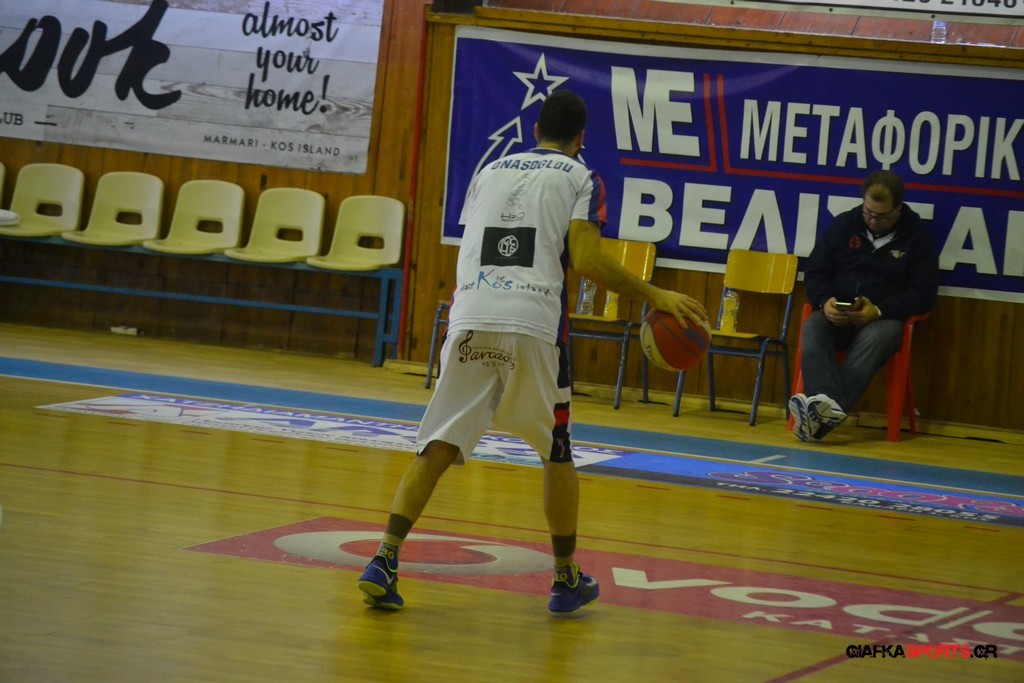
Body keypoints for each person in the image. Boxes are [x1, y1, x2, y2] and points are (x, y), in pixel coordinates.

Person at [357, 90, 707, 613]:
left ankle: (384, 558)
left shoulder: (488, 171)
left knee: (439, 443)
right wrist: (654, 294)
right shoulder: (581, 176)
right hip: (533, 321)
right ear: (580, 139)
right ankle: (565, 578)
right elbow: (586, 259)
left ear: (536, 130)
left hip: (470, 313)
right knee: (556, 450)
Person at [789, 170, 939, 441]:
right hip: (839, 313)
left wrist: (879, 310)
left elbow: (923, 294)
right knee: (813, 325)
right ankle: (824, 406)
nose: (873, 220)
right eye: (868, 212)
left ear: (898, 209)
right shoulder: (844, 224)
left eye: (882, 216)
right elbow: (815, 272)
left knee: (877, 336)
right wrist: (824, 301)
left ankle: (820, 415)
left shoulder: (918, 238)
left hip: (884, 319)